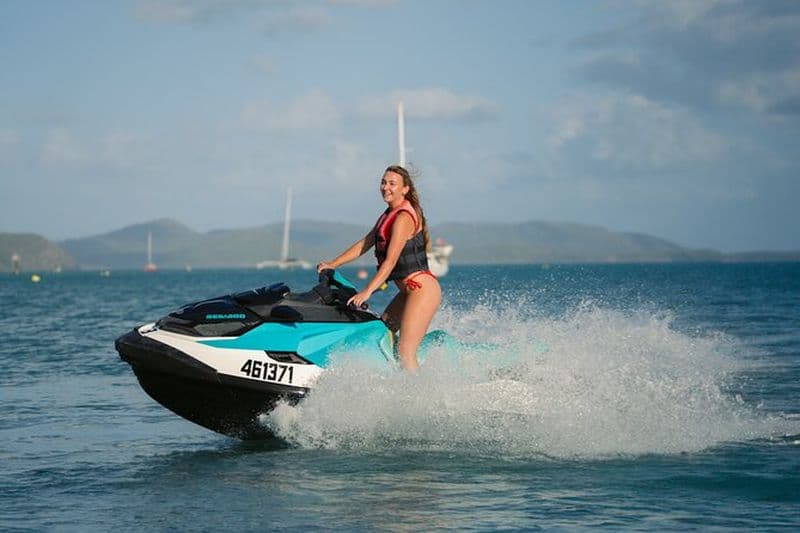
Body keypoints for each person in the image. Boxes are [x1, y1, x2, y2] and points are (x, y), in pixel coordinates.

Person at [317, 165, 442, 372]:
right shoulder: (387, 215)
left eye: (392, 183)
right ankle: (391, 383)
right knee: (382, 334)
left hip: (422, 291)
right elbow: (365, 243)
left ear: (405, 189)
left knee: (405, 352)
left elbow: (390, 261)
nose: (386, 187)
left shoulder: (402, 218)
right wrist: (333, 264)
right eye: (383, 182)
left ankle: (420, 398)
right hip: (407, 292)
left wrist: (367, 291)